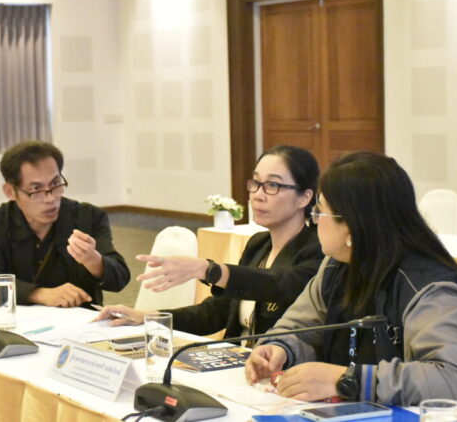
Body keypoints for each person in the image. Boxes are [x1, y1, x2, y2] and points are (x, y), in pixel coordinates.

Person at [245, 152, 457, 406]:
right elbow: (299, 329)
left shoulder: (431, 288)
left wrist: (347, 380)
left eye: (320, 212)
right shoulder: (335, 266)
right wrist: (280, 349)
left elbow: (456, 378)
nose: (314, 220)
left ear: (352, 227)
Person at [95, 146, 324, 341]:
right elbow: (216, 313)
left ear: (304, 197)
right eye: (256, 182)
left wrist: (209, 269)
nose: (257, 195)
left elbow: (278, 284)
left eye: (272, 185)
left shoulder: (318, 250)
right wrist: (147, 317)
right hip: (237, 361)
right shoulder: (258, 244)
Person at [0, 140, 130, 307]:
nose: (50, 198)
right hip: (19, 318)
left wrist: (94, 261)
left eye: (55, 184)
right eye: (36, 189)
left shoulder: (88, 217)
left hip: (79, 318)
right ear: (10, 192)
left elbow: (120, 278)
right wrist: (38, 294)